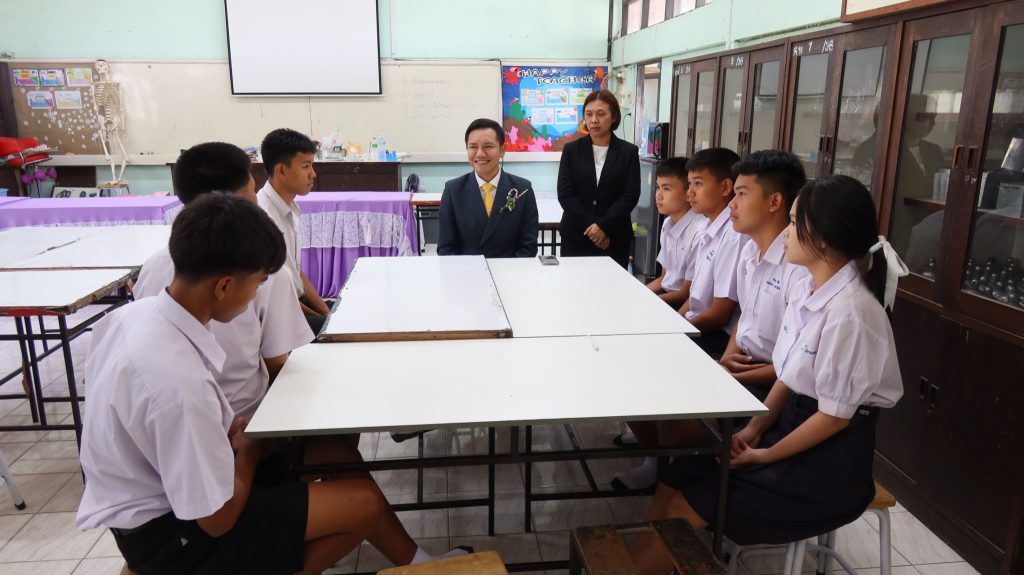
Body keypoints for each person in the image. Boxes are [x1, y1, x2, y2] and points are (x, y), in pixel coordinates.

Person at [78, 194, 467, 575]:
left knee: (331, 450)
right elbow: (216, 520)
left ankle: (419, 563)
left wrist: (229, 439)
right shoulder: (179, 383)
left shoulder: (132, 317)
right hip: (174, 534)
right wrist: (248, 451)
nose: (255, 298)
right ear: (223, 286)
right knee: (361, 503)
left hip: (166, 492)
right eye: (257, 285)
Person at [628, 175, 906, 574]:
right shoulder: (810, 289)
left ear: (823, 239)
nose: (786, 233)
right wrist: (754, 429)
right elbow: (789, 376)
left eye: (793, 223)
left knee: (694, 499)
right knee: (680, 474)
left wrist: (765, 454)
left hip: (825, 466)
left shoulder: (852, 314)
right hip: (789, 428)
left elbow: (833, 418)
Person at [134, 142, 312, 420]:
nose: (257, 200)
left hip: (170, 419)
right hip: (248, 419)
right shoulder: (265, 272)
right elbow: (279, 366)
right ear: (234, 203)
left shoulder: (153, 266)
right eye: (252, 190)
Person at [721, 149, 808, 400]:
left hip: (776, 384)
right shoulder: (749, 251)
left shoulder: (799, 268)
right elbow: (745, 318)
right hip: (742, 364)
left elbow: (797, 363)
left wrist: (729, 376)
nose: (731, 204)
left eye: (741, 194)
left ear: (774, 202)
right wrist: (724, 362)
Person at [257, 128, 331, 334]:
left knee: (351, 311)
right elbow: (277, 296)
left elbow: (296, 273)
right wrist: (325, 321)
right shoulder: (262, 218)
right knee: (346, 330)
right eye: (306, 166)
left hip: (296, 304)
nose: (313, 174)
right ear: (281, 170)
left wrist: (326, 312)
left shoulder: (290, 208)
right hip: (280, 316)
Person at [557, 90, 640, 269]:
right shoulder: (571, 150)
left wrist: (604, 227)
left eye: (601, 114)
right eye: (589, 114)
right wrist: (594, 228)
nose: (594, 120)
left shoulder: (628, 152)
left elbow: (630, 195)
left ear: (614, 117)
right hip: (577, 236)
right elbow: (565, 195)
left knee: (612, 285)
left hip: (614, 237)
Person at [678, 148, 748, 358]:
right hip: (696, 323)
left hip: (716, 334)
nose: (689, 192)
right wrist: (674, 323)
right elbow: (694, 298)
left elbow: (719, 314)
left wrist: (676, 332)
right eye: (689, 184)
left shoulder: (734, 234)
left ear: (725, 187)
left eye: (698, 184)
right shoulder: (707, 225)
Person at [437, 118, 538, 257]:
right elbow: (446, 248)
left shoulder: (523, 189)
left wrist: (510, 269)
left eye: (488, 146)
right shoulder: (453, 190)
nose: (480, 153)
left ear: (502, 150)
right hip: (467, 269)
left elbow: (528, 247)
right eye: (473, 147)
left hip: (510, 268)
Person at [646, 156, 703, 309]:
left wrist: (646, 301)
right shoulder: (667, 224)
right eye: (658, 187)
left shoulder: (699, 232)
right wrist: (639, 293)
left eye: (666, 189)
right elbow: (664, 278)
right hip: (666, 296)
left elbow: (686, 293)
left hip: (682, 304)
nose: (658, 195)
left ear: (688, 193)